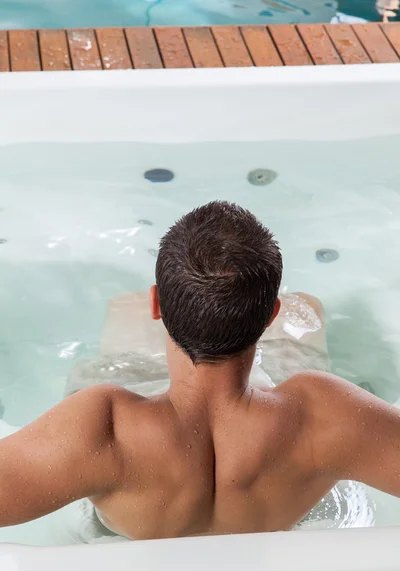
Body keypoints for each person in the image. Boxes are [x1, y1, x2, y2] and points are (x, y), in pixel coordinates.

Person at [1, 200, 400, 541]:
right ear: (271, 316)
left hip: (124, 517)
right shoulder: (324, 417)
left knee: (123, 314)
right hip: (285, 477)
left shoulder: (103, 430)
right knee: (308, 308)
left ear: (156, 306)